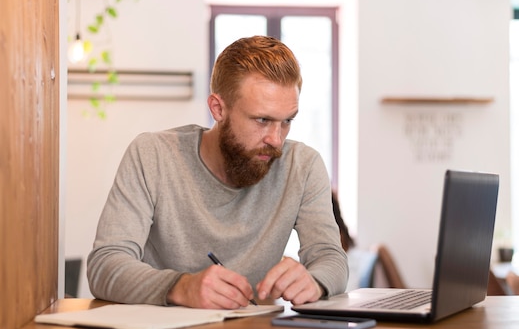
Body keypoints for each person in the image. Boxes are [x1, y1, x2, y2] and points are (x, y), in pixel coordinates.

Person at [87, 35, 348, 309]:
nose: (276, 139)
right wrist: (181, 287)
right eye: (262, 120)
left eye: (286, 121)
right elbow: (105, 265)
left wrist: (314, 281)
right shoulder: (153, 154)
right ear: (218, 108)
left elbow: (330, 257)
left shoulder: (303, 166)